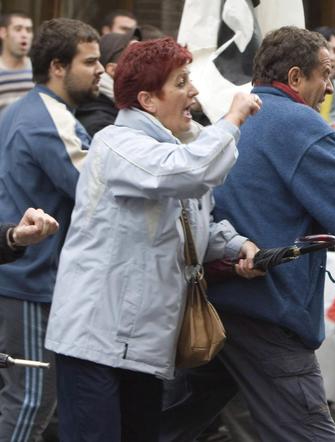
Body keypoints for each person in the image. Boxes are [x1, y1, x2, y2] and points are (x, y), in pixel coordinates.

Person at [160, 26, 335, 442]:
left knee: (166, 424)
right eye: (325, 74)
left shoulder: (232, 120)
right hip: (265, 308)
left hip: (211, 304)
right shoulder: (299, 123)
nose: (331, 87)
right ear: (296, 77)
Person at [44, 37, 262, 442]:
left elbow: (192, 224)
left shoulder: (178, 146)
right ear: (147, 100)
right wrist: (231, 120)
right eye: (180, 82)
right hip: (96, 340)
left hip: (143, 344)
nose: (193, 91)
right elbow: (187, 172)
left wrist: (235, 246)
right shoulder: (116, 144)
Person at [0, 18, 102, 442]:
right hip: (28, 279)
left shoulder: (21, 109)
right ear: (58, 67)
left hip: (21, 275)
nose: (101, 70)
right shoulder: (48, 117)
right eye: (90, 62)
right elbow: (97, 190)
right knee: (30, 400)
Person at [76, 29, 140, 136]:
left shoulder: (123, 111)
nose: (146, 64)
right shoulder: (100, 123)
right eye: (136, 57)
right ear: (113, 70)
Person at [0, 12, 34, 112]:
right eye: (18, 29)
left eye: (28, 30)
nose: (24, 35)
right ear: (3, 32)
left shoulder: (38, 70)